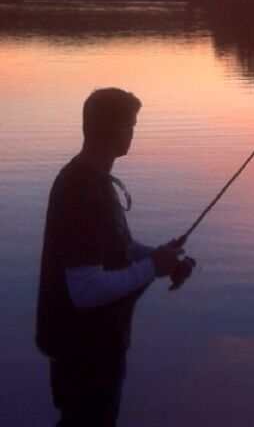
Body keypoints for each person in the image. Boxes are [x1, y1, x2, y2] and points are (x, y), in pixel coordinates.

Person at [36, 87, 193, 426]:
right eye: (131, 125)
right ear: (115, 129)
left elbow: (116, 248)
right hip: (83, 355)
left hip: (96, 349)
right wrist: (151, 267)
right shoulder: (81, 194)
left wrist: (158, 257)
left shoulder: (93, 181)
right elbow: (86, 289)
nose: (133, 133)